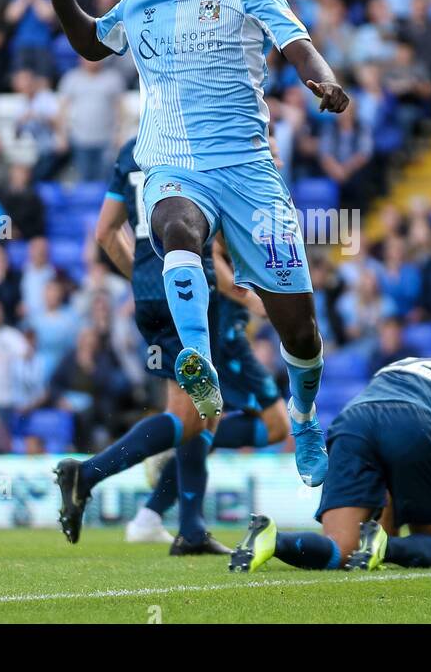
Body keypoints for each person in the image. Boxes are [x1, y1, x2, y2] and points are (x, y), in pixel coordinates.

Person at [37, 0, 348, 494]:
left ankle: (305, 420)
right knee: (176, 227)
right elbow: (93, 44)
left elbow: (297, 47)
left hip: (250, 173)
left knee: (301, 333)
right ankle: (199, 361)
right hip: (173, 162)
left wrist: (325, 83)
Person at [89, 137, 290, 551]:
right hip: (218, 318)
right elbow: (210, 252)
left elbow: (108, 231)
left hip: (202, 311)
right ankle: (135, 478)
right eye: (267, 146)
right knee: (235, 421)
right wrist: (252, 300)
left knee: (207, 416)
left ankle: (165, 513)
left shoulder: (139, 152)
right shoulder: (215, 162)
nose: (275, 154)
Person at [228, 331, 431, 573]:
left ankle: (273, 539)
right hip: (414, 419)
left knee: (341, 548)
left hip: (352, 420)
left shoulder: (410, 364)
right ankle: (386, 545)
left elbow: (388, 457)